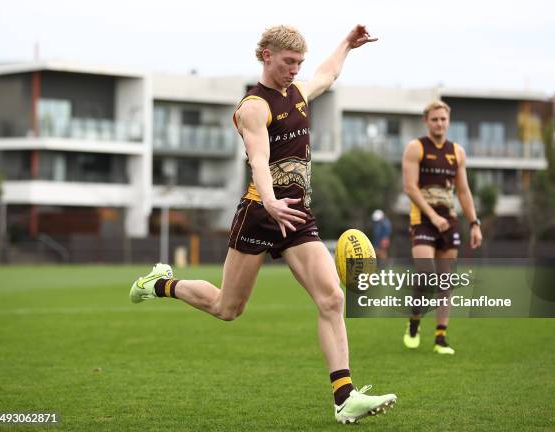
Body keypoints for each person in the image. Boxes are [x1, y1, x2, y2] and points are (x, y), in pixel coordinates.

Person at [129, 24, 396, 424]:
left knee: (332, 299)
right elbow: (258, 158)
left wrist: (346, 44)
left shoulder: (300, 94)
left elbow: (329, 74)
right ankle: (160, 284)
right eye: (289, 62)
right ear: (266, 55)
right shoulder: (254, 107)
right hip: (259, 212)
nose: (295, 69)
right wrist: (269, 200)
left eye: (299, 63)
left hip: (297, 215)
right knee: (227, 307)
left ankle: (345, 397)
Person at [401, 100, 482, 355]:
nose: (439, 123)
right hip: (423, 220)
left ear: (448, 121)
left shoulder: (457, 152)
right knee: (425, 275)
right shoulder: (416, 148)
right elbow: (410, 188)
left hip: (449, 221)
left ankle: (440, 338)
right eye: (434, 119)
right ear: (426, 121)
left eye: (443, 119)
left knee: (445, 282)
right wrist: (433, 217)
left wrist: (474, 223)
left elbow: (464, 191)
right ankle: (414, 322)